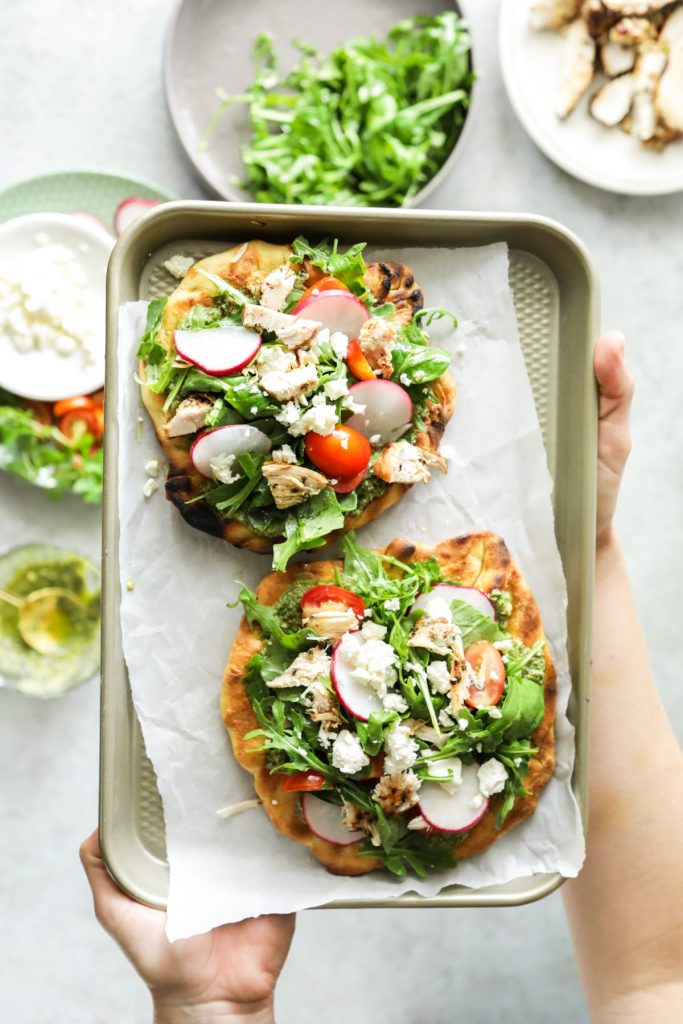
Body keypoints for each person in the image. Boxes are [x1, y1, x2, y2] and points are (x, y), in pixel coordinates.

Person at [80, 331, 683, 1023]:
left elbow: (658, 981)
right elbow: (657, 975)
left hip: (373, 741)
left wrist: (214, 1005)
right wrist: (591, 547)